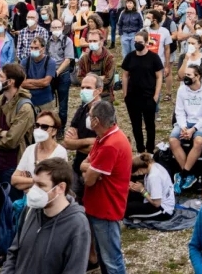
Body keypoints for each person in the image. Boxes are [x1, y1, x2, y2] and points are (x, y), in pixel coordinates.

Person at [2, 157, 91, 274]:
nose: (34, 190)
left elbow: (75, 270)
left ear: (60, 188)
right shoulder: (30, 209)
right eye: (34, 183)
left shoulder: (77, 225)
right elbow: (14, 252)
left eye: (41, 185)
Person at [82, 100, 133, 274]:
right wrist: (89, 169)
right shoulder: (104, 138)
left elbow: (88, 180)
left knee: (112, 260)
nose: (87, 118)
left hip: (106, 209)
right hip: (99, 207)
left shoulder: (110, 145)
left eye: (89, 116)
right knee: (104, 257)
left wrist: (88, 170)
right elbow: (86, 165)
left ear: (96, 121)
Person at [0, 64, 37, 193]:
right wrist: (2, 133)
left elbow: (11, 141)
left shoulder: (25, 108)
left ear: (10, 82)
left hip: (13, 165)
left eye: (1, 76)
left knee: (11, 200)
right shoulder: (1, 99)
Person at [171, 63, 202, 192]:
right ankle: (189, 175)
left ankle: (183, 174)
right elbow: (179, 111)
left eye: (189, 75)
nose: (186, 77)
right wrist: (184, 127)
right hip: (185, 122)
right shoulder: (182, 89)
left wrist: (193, 129)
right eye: (185, 74)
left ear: (197, 76)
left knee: (199, 141)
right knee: (173, 140)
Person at [121, 30, 164, 153]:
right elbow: (125, 75)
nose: (137, 44)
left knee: (150, 125)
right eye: (135, 42)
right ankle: (140, 148)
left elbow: (159, 77)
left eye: (140, 42)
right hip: (132, 97)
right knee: (136, 125)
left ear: (146, 42)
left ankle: (150, 150)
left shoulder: (153, 58)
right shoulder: (130, 57)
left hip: (148, 97)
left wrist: (156, 95)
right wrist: (125, 94)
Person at [64, 73, 103, 199]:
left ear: (99, 90)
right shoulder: (82, 108)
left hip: (94, 171)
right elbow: (67, 142)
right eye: (82, 87)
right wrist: (89, 141)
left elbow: (102, 148)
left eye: (88, 88)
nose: (84, 91)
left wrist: (76, 143)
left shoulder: (105, 112)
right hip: (77, 168)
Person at [11, 110, 68, 193]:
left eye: (44, 127)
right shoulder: (30, 149)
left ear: (54, 131)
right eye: (37, 125)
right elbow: (14, 180)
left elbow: (55, 186)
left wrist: (26, 182)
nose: (39, 129)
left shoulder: (60, 153)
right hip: (29, 199)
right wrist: (37, 181)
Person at [125, 151, 175, 220]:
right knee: (129, 196)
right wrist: (136, 187)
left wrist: (142, 190)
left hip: (162, 210)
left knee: (126, 209)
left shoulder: (153, 177)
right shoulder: (154, 165)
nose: (137, 175)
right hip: (156, 199)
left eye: (135, 173)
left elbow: (157, 203)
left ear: (139, 170)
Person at [22, 37, 57, 112]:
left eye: (36, 48)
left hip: (46, 101)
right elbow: (22, 83)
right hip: (29, 100)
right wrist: (41, 84)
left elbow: (46, 82)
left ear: (43, 49)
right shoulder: (25, 62)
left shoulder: (50, 62)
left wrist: (29, 81)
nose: (33, 50)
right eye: (31, 48)